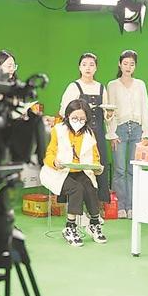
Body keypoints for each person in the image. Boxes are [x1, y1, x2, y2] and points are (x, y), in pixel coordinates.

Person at [40, 99, 107, 247]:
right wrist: (55, 162)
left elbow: (95, 156)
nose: (78, 121)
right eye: (75, 118)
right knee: (76, 189)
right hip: (58, 171)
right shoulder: (58, 130)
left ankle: (94, 223)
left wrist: (97, 167)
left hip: (80, 170)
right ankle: (70, 228)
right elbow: (49, 154)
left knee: (89, 187)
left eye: (82, 119)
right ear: (68, 116)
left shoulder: (89, 134)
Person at [106, 49, 148, 219]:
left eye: (132, 64)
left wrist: (146, 132)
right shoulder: (112, 85)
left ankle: (132, 206)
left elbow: (145, 108)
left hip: (137, 128)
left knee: (133, 169)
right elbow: (109, 111)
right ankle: (120, 206)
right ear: (119, 64)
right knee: (119, 170)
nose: (128, 67)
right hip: (120, 129)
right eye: (125, 63)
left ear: (135, 66)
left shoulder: (140, 84)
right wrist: (111, 133)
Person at [59, 53, 112, 203]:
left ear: (96, 68)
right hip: (79, 134)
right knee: (78, 166)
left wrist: (109, 114)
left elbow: (106, 113)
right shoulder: (73, 86)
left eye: (91, 65)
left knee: (98, 166)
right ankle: (75, 204)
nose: (88, 68)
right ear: (79, 67)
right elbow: (63, 111)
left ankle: (97, 205)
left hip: (98, 132)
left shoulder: (101, 87)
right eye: (84, 64)